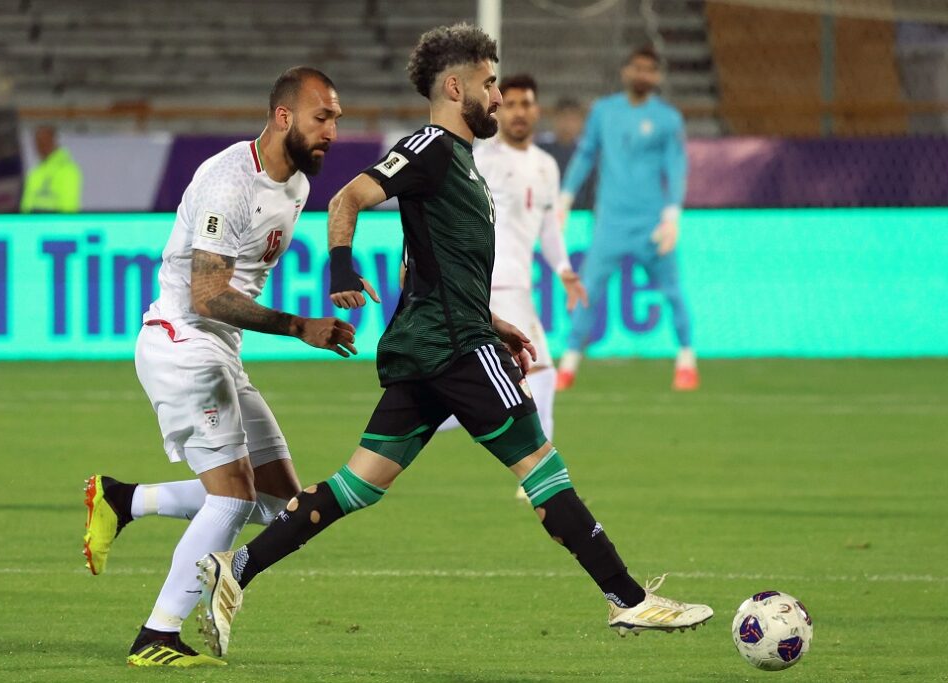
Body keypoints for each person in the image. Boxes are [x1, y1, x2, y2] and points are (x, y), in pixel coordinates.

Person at [193, 24, 712, 660]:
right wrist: (341, 269)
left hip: (440, 342)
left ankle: (235, 568)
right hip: (454, 347)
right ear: (456, 87)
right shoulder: (431, 147)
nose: (497, 96)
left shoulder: (460, 163)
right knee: (543, 469)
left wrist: (494, 321)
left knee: (358, 485)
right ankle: (628, 598)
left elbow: (428, 267)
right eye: (490, 84)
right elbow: (348, 199)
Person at [83, 66, 356, 668]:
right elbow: (207, 296)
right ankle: (157, 635)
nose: (332, 132)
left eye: (336, 119)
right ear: (283, 116)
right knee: (231, 498)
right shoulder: (228, 182)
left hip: (220, 349)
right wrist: (298, 326)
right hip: (183, 341)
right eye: (322, 118)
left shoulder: (296, 184)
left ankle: (124, 500)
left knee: (280, 504)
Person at [436, 73, 588, 502]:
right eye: (513, 104)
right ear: (500, 111)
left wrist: (564, 269)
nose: (520, 112)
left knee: (496, 382)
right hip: (490, 283)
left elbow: (548, 227)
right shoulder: (480, 160)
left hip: (517, 284)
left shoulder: (546, 166)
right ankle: (541, 477)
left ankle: (429, 410)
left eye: (527, 104)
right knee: (541, 371)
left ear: (537, 111)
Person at [556, 46, 699, 392]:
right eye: (637, 67)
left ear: (657, 76)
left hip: (652, 222)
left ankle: (686, 361)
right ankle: (569, 364)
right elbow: (585, 154)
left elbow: (675, 166)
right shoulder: (604, 112)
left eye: (649, 69)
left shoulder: (667, 118)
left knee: (672, 290)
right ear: (625, 71)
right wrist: (564, 198)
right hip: (611, 222)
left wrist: (672, 215)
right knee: (588, 290)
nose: (642, 74)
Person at [537, 97, 595, 210]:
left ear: (581, 122)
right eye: (563, 117)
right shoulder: (541, 148)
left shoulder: (587, 154)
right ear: (554, 119)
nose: (567, 124)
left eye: (573, 119)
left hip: (579, 213)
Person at [20, 126, 83, 213]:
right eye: (38, 144)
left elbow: (68, 206)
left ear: (53, 142)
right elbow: (26, 204)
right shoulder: (36, 172)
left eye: (44, 143)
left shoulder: (68, 170)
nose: (40, 148)